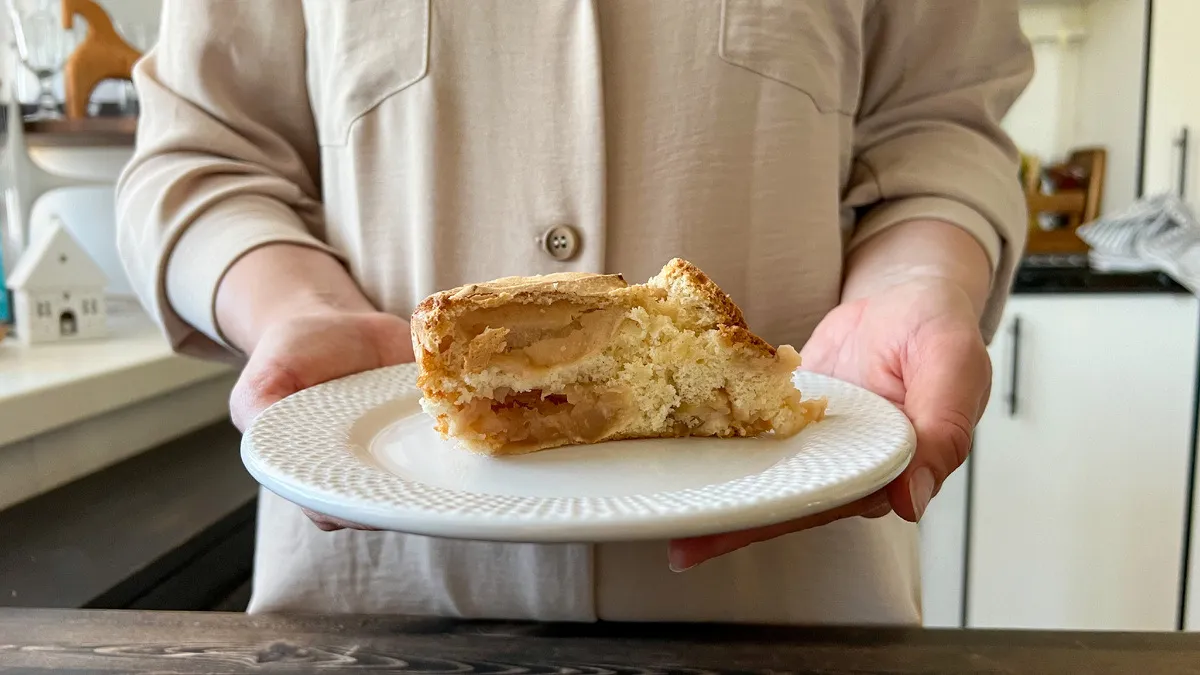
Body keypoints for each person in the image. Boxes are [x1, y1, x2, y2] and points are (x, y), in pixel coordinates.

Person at [115, 1, 1033, 624]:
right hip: (379, 612)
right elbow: (204, 153)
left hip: (792, 609)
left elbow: (938, 129)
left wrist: (915, 282)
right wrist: (295, 306)